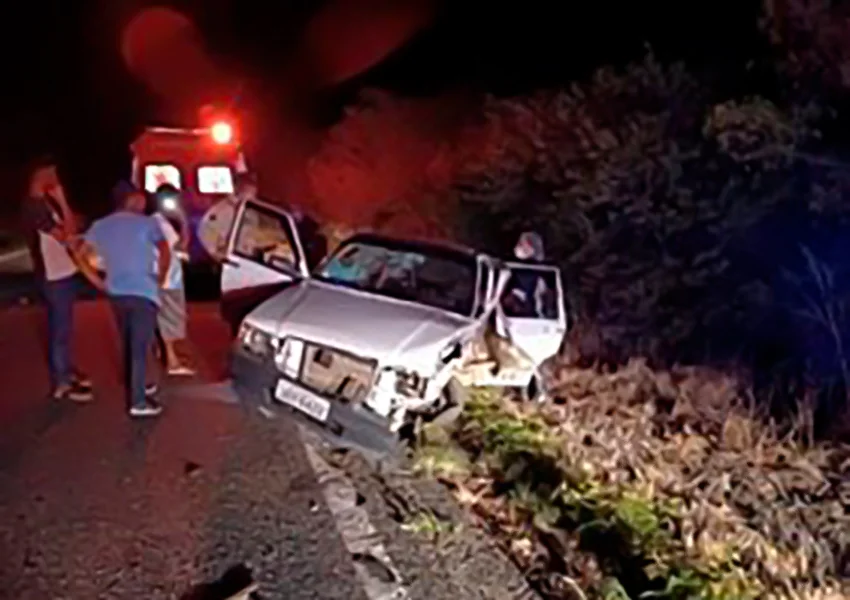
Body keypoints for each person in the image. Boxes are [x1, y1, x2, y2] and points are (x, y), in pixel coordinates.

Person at [69, 183, 170, 418]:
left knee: (128, 340)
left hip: (117, 291)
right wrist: (161, 278)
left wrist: (97, 281)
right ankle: (138, 401)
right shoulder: (148, 223)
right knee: (140, 344)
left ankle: (138, 383)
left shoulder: (100, 226)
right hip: (144, 290)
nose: (144, 202)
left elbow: (79, 254)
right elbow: (165, 249)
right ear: (131, 199)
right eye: (141, 198)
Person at [21, 157, 93, 402]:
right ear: (41, 175)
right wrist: (62, 200)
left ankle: (66, 372)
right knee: (59, 330)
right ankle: (62, 382)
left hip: (62, 273)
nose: (56, 179)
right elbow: (67, 235)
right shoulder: (34, 208)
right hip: (53, 276)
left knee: (64, 328)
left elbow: (70, 228)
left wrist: (61, 204)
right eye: (53, 173)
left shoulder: (44, 204)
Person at [152, 184, 195, 376]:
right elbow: (181, 246)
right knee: (170, 318)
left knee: (164, 317)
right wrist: (183, 220)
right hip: (168, 278)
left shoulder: (154, 221)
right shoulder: (161, 223)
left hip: (163, 276)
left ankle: (165, 353)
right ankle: (172, 362)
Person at [197, 171, 258, 262]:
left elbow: (251, 238)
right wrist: (217, 256)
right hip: (225, 264)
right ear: (238, 187)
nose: (252, 194)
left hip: (246, 263)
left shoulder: (251, 212)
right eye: (248, 187)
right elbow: (206, 236)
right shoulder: (220, 211)